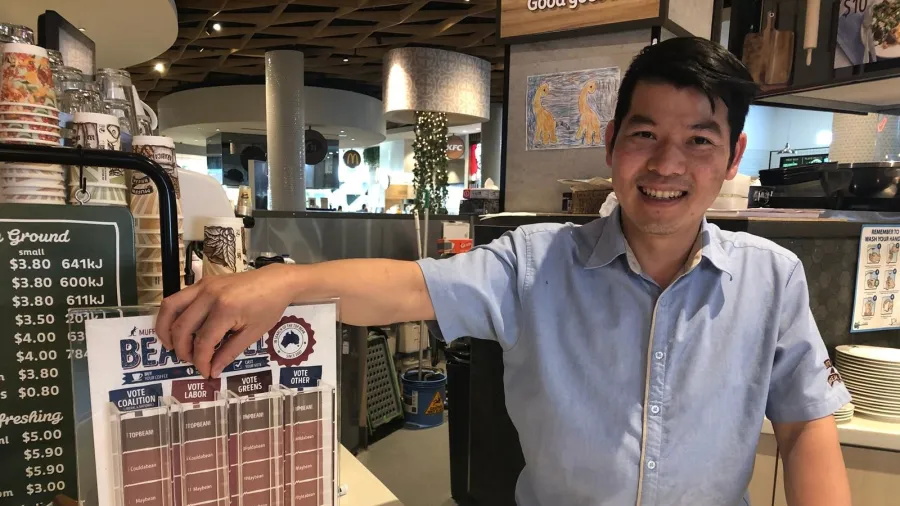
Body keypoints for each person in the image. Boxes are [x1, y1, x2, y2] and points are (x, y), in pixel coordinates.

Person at [157, 38, 851, 506]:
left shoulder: (773, 279)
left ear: (733, 158)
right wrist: (283, 283)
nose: (667, 164)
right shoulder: (534, 262)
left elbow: (804, 425)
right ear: (612, 142)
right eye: (645, 135)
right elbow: (406, 288)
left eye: (699, 140)